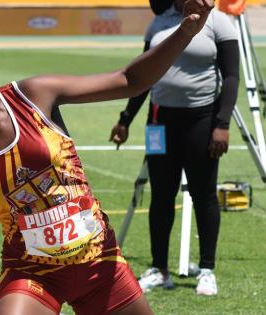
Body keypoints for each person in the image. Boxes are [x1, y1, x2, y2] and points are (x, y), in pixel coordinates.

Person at [0, 1, 214, 314]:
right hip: (33, 274)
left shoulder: (33, 96)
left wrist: (185, 31)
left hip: (100, 261)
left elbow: (129, 80)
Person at [109, 0, 239, 296]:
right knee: (162, 195)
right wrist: (125, 119)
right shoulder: (159, 22)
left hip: (202, 120)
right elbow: (140, 76)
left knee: (204, 193)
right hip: (160, 120)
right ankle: (159, 269)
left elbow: (231, 77)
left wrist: (222, 124)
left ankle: (207, 270)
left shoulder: (218, 22)